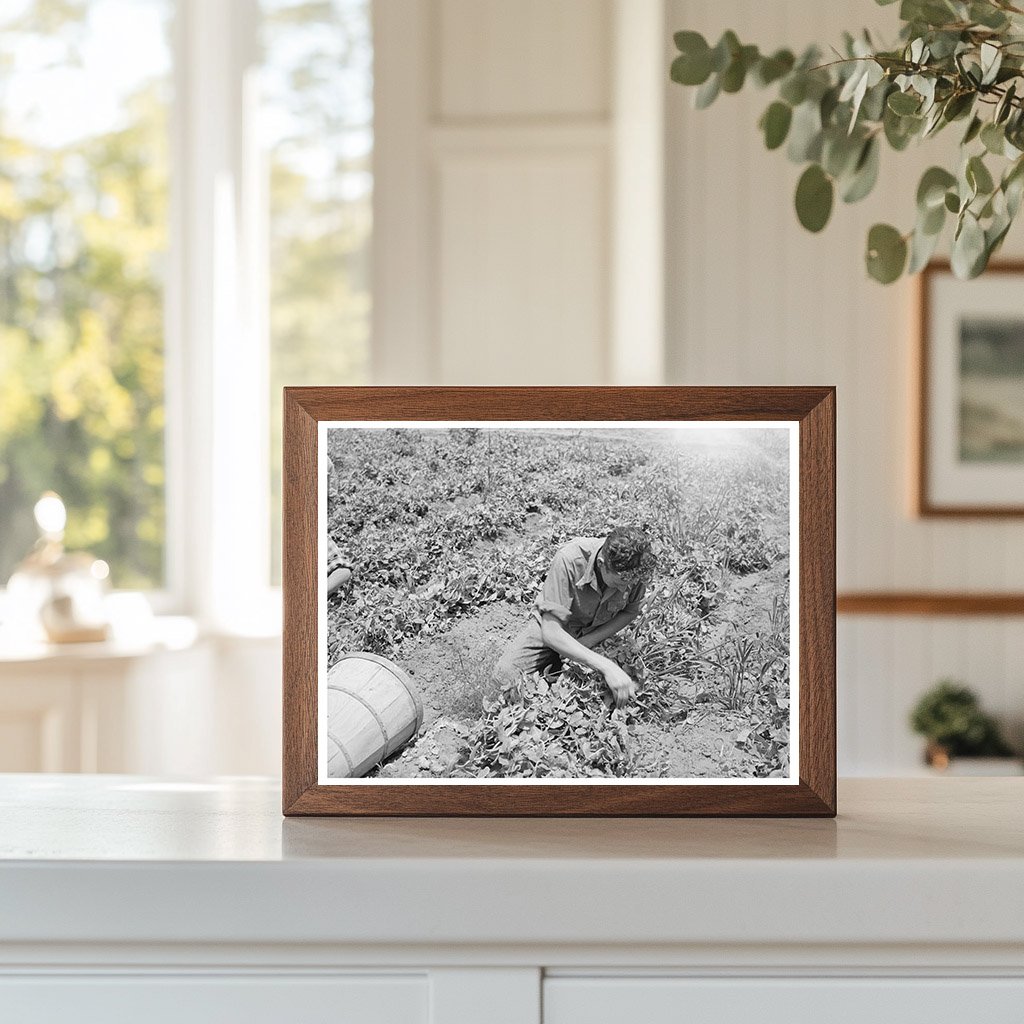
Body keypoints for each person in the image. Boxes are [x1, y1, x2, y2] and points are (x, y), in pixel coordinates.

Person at [493, 526, 656, 707]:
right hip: (555, 627)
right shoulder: (570, 559)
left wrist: (589, 641)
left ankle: (557, 667)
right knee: (504, 676)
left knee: (598, 697)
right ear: (602, 564)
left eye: (631, 583)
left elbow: (629, 612)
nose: (627, 588)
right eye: (621, 582)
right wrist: (607, 666)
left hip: (594, 631)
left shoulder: (634, 572)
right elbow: (551, 631)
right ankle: (555, 662)